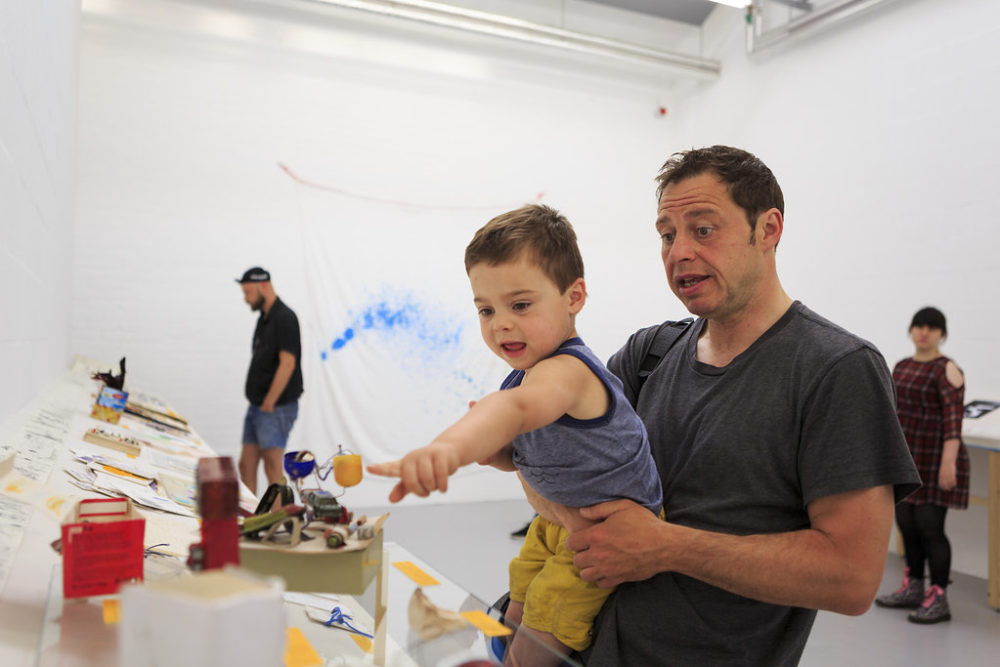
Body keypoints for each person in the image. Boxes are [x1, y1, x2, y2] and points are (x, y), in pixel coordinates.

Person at [550, 145, 922, 665]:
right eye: (666, 234)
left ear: (768, 230)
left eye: (703, 229)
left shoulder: (836, 370)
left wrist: (666, 546)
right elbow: (551, 451)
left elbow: (852, 577)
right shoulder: (647, 354)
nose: (678, 252)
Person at [368, 205, 662, 666]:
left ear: (574, 296)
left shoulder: (566, 373)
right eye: (486, 309)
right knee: (516, 605)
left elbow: (515, 410)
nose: (500, 323)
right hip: (555, 522)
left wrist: (446, 449)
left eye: (520, 305)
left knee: (541, 626)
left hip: (602, 534)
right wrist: (499, 455)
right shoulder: (528, 374)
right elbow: (531, 451)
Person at [875, 306, 969, 623]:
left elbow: (953, 420)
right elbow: (890, 414)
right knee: (908, 527)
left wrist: (949, 464)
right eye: (918, 326)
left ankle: (938, 597)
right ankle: (913, 587)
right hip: (907, 458)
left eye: (931, 327)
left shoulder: (947, 369)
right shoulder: (901, 367)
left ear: (941, 334)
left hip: (936, 458)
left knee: (931, 529)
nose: (923, 332)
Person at [236, 267, 303, 495]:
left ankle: (279, 524)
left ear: (264, 286)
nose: (246, 299)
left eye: (248, 292)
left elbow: (288, 364)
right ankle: (251, 521)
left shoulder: (285, 318)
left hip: (275, 408)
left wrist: (269, 402)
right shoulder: (264, 320)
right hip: (257, 406)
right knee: (246, 464)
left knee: (272, 467)